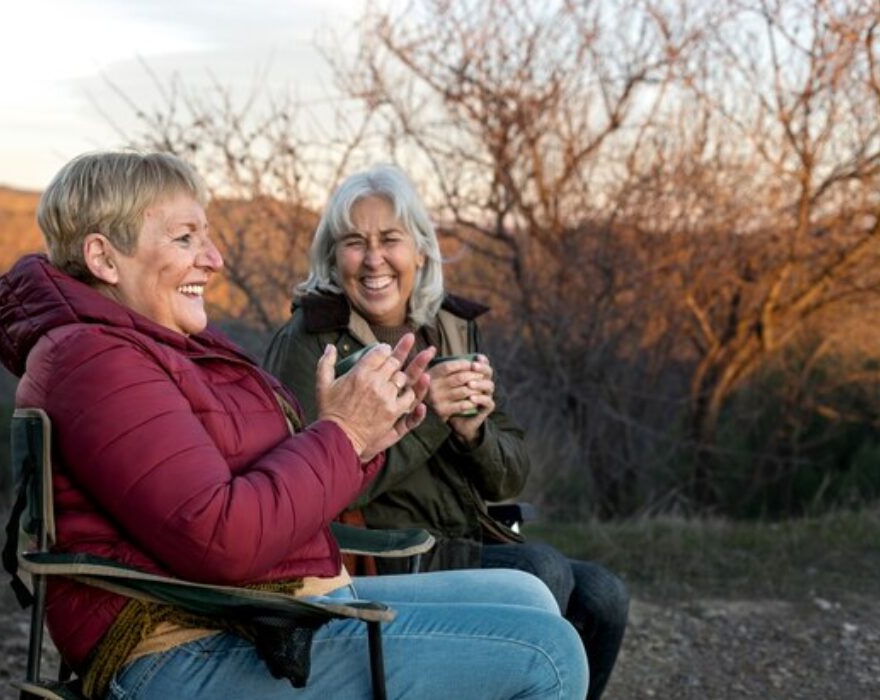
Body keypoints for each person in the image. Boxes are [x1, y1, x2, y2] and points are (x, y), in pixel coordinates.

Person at [0, 151, 587, 699]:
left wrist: (371, 432)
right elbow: (222, 536)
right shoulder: (99, 362)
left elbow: (273, 483)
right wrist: (342, 434)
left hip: (259, 605)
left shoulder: (157, 344)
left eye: (207, 235)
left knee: (528, 593)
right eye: (185, 237)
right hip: (184, 644)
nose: (214, 258)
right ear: (102, 257)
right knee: (549, 654)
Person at [263, 164, 628, 700]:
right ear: (331, 256)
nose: (373, 260)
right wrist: (429, 412)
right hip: (381, 550)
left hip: (462, 537)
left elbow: (510, 478)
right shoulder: (311, 341)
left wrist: (474, 432)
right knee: (543, 569)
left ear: (421, 251)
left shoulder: (451, 327)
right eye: (353, 242)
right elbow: (310, 486)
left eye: (390, 239)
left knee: (604, 595)